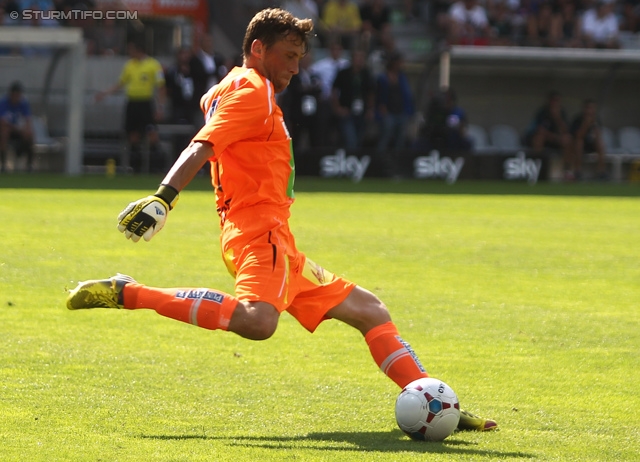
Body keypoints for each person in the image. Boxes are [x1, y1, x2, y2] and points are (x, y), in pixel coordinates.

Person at [66, 7, 497, 433]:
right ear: (258, 49)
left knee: (370, 310)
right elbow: (202, 146)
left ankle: (439, 407)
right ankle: (130, 293)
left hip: (276, 240)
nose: (295, 68)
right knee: (258, 321)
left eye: (300, 58)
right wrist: (164, 198)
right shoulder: (253, 91)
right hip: (260, 233)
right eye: (289, 56)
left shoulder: (229, 88)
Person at [95, 39, 167, 173]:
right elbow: (120, 83)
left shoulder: (153, 64)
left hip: (146, 104)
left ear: (138, 50)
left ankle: (157, 167)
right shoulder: (129, 65)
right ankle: (136, 168)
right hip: (132, 104)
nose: (129, 52)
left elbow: (161, 87)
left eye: (131, 49)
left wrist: (160, 107)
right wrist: (105, 93)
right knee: (133, 136)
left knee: (152, 135)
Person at [375, 52, 415, 176]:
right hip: (388, 113)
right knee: (385, 137)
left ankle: (397, 165)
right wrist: (382, 109)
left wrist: (409, 111)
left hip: (401, 113)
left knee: (400, 140)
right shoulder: (383, 78)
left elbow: (407, 95)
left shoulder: (402, 77)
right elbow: (379, 96)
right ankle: (378, 164)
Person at [331, 48, 375, 150]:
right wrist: (337, 107)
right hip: (347, 110)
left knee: (359, 138)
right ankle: (349, 158)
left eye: (362, 58)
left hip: (362, 111)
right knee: (350, 139)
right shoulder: (343, 73)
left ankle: (355, 160)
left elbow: (371, 93)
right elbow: (334, 91)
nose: (359, 60)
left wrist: (370, 109)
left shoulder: (366, 74)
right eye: (357, 57)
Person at [524, 91, 574, 180]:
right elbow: (541, 131)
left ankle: (567, 171)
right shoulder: (543, 112)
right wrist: (556, 138)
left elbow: (566, 131)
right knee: (539, 138)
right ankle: (537, 169)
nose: (555, 103)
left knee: (567, 140)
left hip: (555, 140)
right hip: (541, 138)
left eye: (557, 101)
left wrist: (557, 118)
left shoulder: (561, 113)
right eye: (553, 101)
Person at [0, 81, 34, 173]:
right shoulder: (3, 103)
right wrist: (16, 128)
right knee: (4, 133)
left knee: (30, 134)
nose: (17, 96)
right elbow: (2, 122)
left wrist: (26, 129)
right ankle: (3, 165)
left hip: (18, 130)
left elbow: (28, 119)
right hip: (8, 129)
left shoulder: (23, 103)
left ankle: (29, 165)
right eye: (15, 94)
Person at [570, 98, 607, 180]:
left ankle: (601, 172)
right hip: (577, 145)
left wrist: (595, 127)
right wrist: (586, 124)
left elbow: (598, 136)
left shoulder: (596, 120)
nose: (590, 110)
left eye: (592, 108)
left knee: (600, 144)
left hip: (592, 144)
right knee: (579, 143)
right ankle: (577, 171)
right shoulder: (578, 119)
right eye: (588, 108)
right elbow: (578, 136)